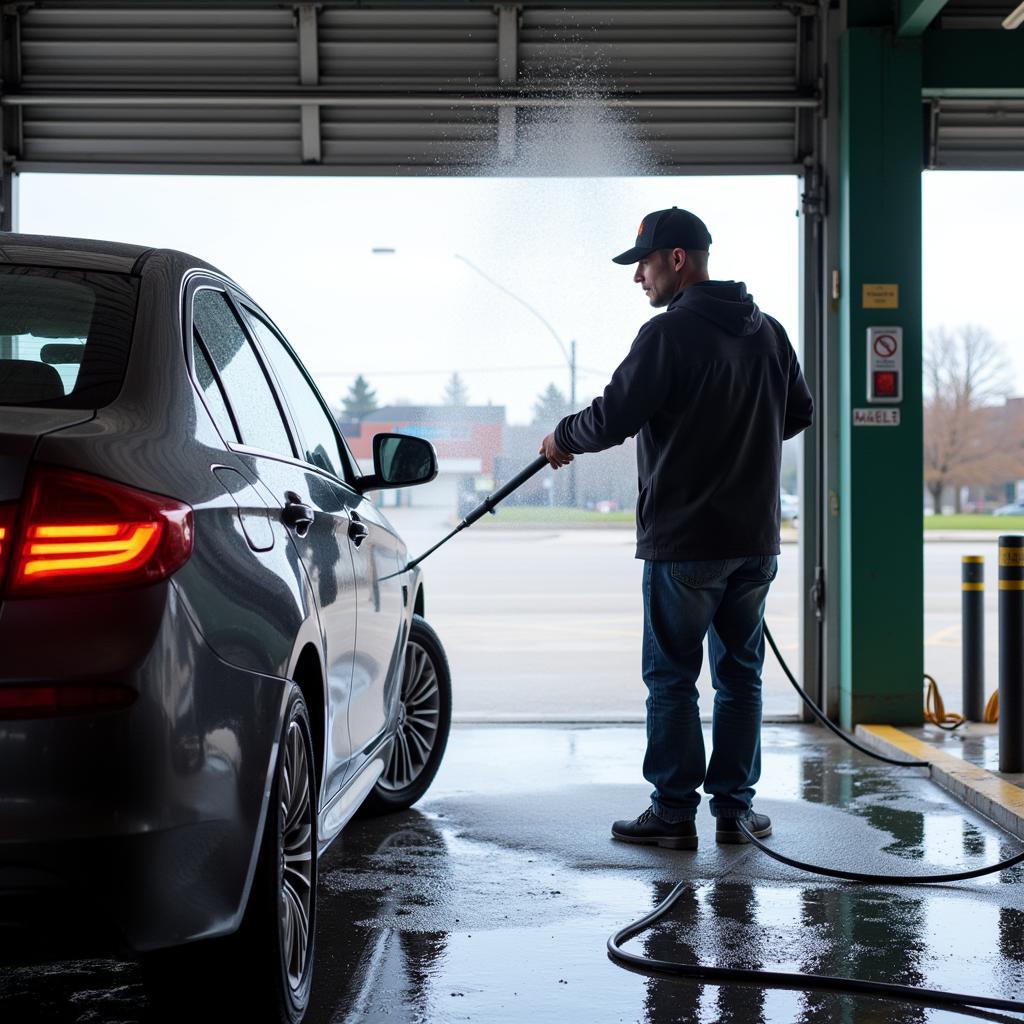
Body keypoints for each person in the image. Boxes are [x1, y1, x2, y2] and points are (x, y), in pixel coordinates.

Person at [539, 207, 813, 849]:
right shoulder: (768, 333)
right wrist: (738, 440)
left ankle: (671, 813)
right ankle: (736, 812)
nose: (638, 277)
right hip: (754, 543)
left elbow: (613, 416)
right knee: (740, 677)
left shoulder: (666, 336)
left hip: (685, 542)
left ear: (678, 259)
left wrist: (561, 438)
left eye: (644, 262)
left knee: (671, 678)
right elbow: (796, 413)